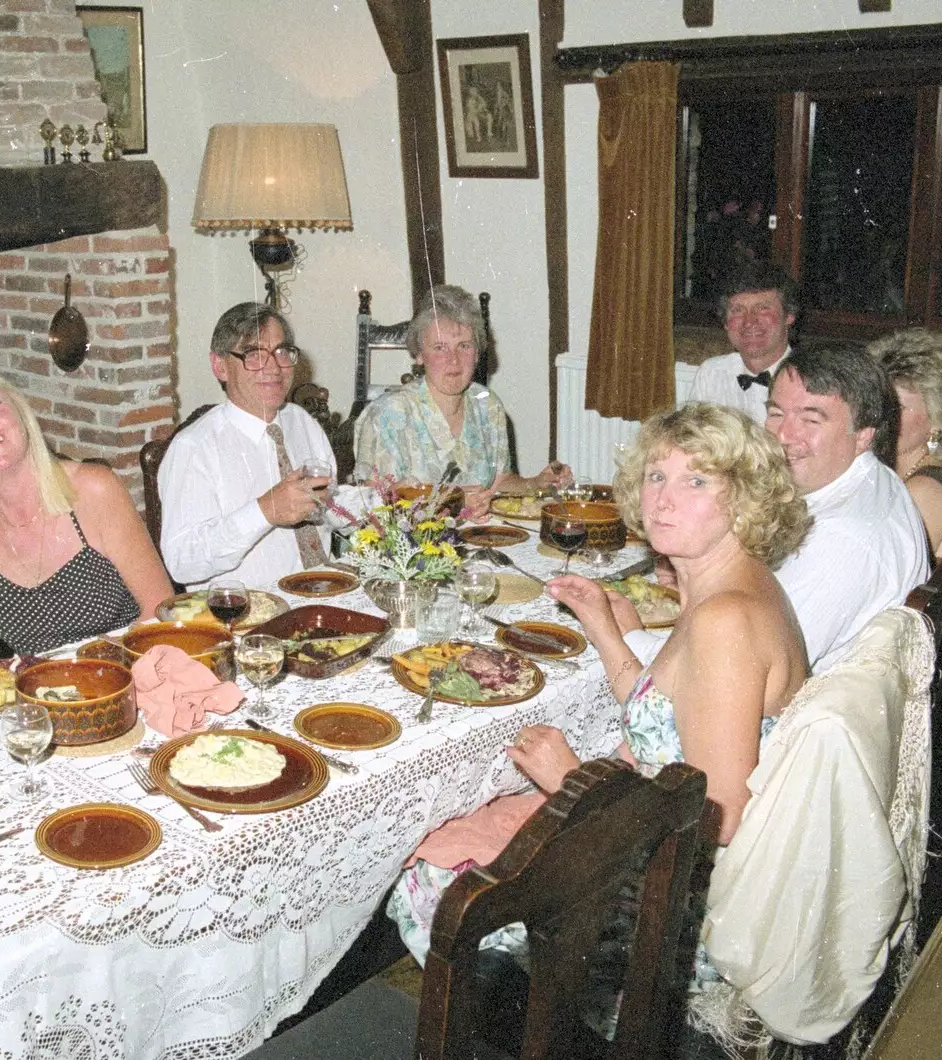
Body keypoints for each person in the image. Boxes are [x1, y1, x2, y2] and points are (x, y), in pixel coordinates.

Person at [389, 403, 811, 969]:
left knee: (429, 879)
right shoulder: (727, 584)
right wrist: (604, 630)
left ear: (744, 499)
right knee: (463, 819)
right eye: (657, 475)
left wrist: (571, 783)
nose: (662, 498)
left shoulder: (725, 621)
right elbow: (667, 711)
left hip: (671, 915)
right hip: (657, 849)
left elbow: (720, 818)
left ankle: (523, 1031)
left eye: (697, 480)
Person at [0, 370, 172, 654]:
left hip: (125, 676)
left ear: (22, 418)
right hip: (33, 692)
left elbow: (160, 610)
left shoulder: (92, 489)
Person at [764, 343, 930, 671]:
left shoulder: (841, 537)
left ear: (864, 435)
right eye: (775, 413)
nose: (783, 435)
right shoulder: (870, 479)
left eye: (810, 419)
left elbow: (757, 668)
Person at [158, 302, 338, 588]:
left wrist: (385, 502)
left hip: (322, 593)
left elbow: (331, 503)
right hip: (246, 615)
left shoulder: (301, 422)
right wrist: (265, 511)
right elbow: (182, 562)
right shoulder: (194, 448)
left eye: (281, 351)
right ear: (220, 367)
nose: (274, 367)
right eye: (254, 355)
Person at [354, 285, 570, 511]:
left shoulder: (488, 404)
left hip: (479, 534)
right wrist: (452, 500)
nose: (454, 360)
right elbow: (373, 504)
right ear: (419, 354)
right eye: (440, 347)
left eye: (464, 346)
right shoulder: (388, 415)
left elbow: (498, 482)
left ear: (477, 352)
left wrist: (535, 483)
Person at [869, 327, 942, 561]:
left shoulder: (923, 492)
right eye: (878, 401)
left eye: (899, 407)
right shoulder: (934, 475)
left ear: (937, 419)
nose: (881, 415)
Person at [684, 261, 798, 427]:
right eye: (738, 310)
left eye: (762, 308)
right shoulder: (712, 373)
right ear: (725, 322)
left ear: (789, 316)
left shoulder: (808, 381)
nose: (749, 321)